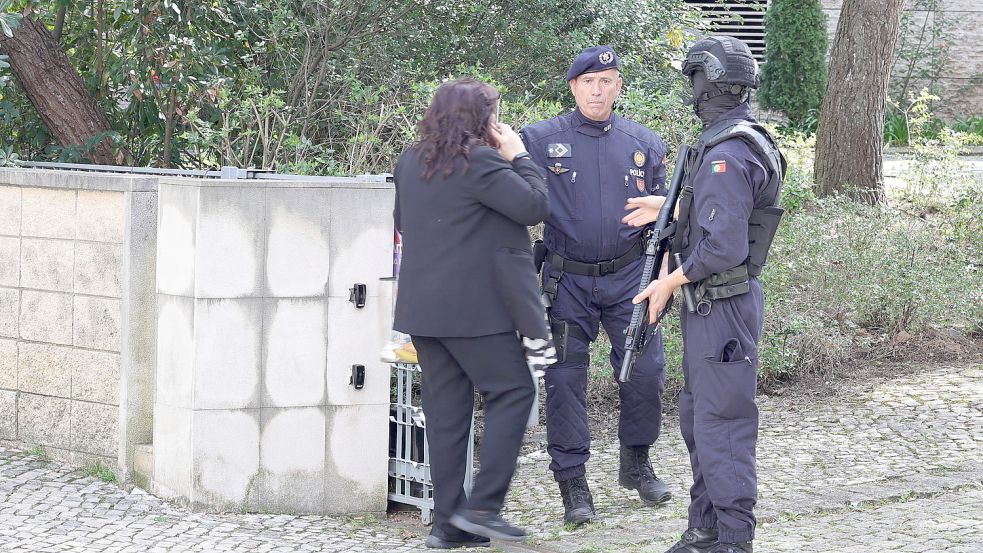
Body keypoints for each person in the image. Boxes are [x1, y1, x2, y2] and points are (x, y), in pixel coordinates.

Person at [629, 36, 786, 553]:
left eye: (694, 78)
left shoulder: (728, 152)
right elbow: (723, 215)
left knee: (723, 425)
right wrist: (669, 209)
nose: (691, 89)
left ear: (709, 82)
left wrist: (669, 281)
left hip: (722, 305)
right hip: (713, 305)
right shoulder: (733, 140)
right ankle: (705, 530)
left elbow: (722, 245)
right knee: (700, 419)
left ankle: (735, 540)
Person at [393, 78, 552, 548]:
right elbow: (534, 206)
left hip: (423, 313)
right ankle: (482, 508)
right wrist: (519, 155)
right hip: (474, 313)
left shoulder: (409, 161)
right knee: (514, 391)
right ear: (482, 118)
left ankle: (447, 526)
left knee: (446, 415)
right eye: (494, 113)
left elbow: (404, 223)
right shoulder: (479, 161)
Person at [520, 45, 672, 525]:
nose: (597, 90)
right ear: (573, 87)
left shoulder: (644, 143)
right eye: (588, 81)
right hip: (566, 281)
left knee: (646, 371)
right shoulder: (540, 140)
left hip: (631, 277)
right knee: (565, 380)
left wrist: (665, 278)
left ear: (618, 86)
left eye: (606, 81)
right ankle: (573, 484)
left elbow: (667, 221)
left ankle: (636, 462)